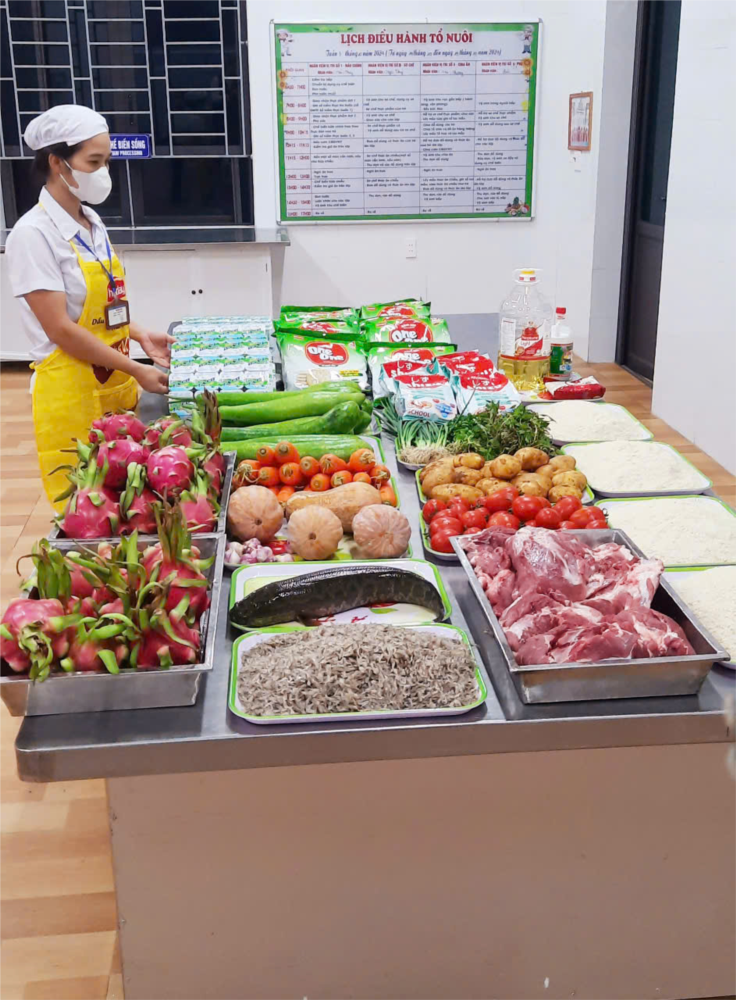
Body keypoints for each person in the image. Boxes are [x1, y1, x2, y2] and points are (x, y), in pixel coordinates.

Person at [6, 105, 173, 509]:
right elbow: (61, 329)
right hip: (71, 394)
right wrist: (136, 368)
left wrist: (139, 334)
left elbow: (101, 306)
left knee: (129, 502)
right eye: (93, 162)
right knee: (89, 509)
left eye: (106, 162)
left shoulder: (91, 222)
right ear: (57, 162)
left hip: (113, 385)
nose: (103, 173)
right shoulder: (32, 235)